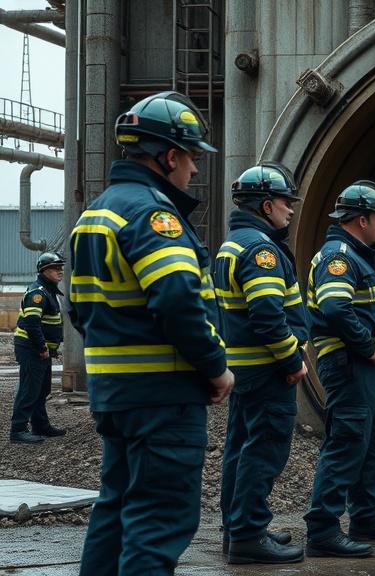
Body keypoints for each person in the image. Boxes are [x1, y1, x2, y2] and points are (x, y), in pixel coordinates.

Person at [68, 91, 234, 575]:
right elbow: (178, 300)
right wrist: (216, 367)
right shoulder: (155, 216)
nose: (196, 170)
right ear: (169, 156)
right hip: (164, 396)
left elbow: (80, 309)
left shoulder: (95, 214)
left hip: (115, 395)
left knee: (115, 512)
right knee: (157, 523)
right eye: (192, 158)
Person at [303, 180, 375, 558]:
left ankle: (367, 517)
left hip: (366, 367)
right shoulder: (340, 257)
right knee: (347, 444)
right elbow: (335, 308)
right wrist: (368, 347)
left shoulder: (357, 256)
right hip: (351, 367)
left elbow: (361, 310)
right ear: (361, 218)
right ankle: (323, 529)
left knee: (370, 445)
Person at [215, 163, 310, 564]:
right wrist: (292, 359)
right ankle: (250, 535)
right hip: (268, 370)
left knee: (240, 446)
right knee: (265, 449)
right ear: (266, 204)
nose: (290, 210)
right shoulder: (261, 250)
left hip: (243, 369)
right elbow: (268, 314)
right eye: (286, 202)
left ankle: (236, 527)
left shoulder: (232, 244)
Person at [10, 252, 67, 444]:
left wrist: (50, 348)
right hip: (31, 349)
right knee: (29, 389)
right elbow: (31, 323)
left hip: (40, 350)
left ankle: (40, 425)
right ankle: (18, 430)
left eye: (61, 267)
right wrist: (42, 347)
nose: (60, 271)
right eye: (56, 268)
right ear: (44, 270)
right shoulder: (38, 293)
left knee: (41, 389)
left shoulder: (48, 291)